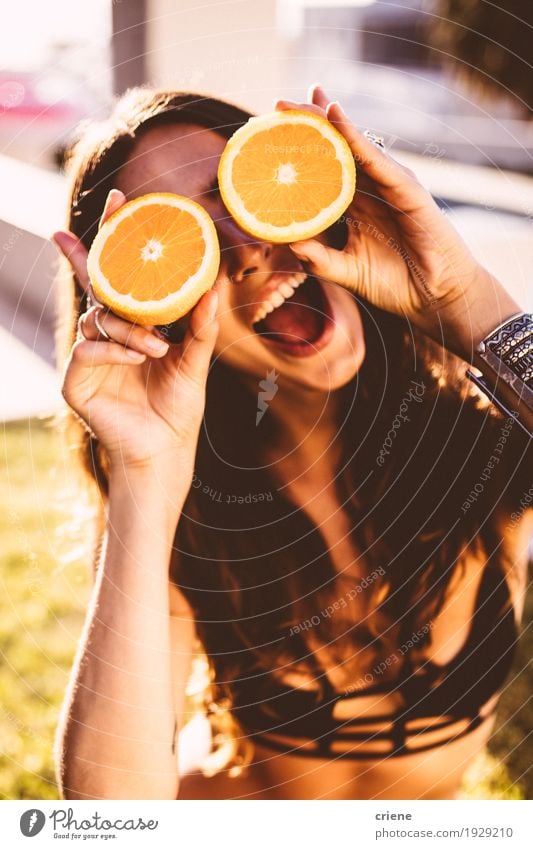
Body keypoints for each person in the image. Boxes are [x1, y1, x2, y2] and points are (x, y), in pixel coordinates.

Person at [52, 85, 532, 800]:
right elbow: (111, 819)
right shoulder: (187, 515)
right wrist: (147, 475)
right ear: (147, 308)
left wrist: (461, 297)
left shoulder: (470, 441)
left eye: (241, 197)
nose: (244, 250)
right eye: (190, 239)